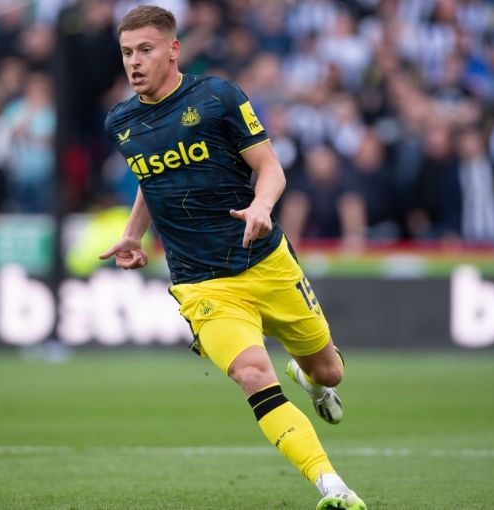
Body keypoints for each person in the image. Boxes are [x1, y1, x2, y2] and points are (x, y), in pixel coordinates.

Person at [99, 6, 366, 510]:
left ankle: (308, 378)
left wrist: (262, 207)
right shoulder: (121, 121)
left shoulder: (217, 96)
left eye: (146, 50)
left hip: (265, 260)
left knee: (330, 371)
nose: (134, 62)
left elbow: (269, 167)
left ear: (174, 50)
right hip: (202, 285)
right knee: (252, 374)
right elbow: (150, 178)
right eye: (127, 53)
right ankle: (331, 485)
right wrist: (133, 234)